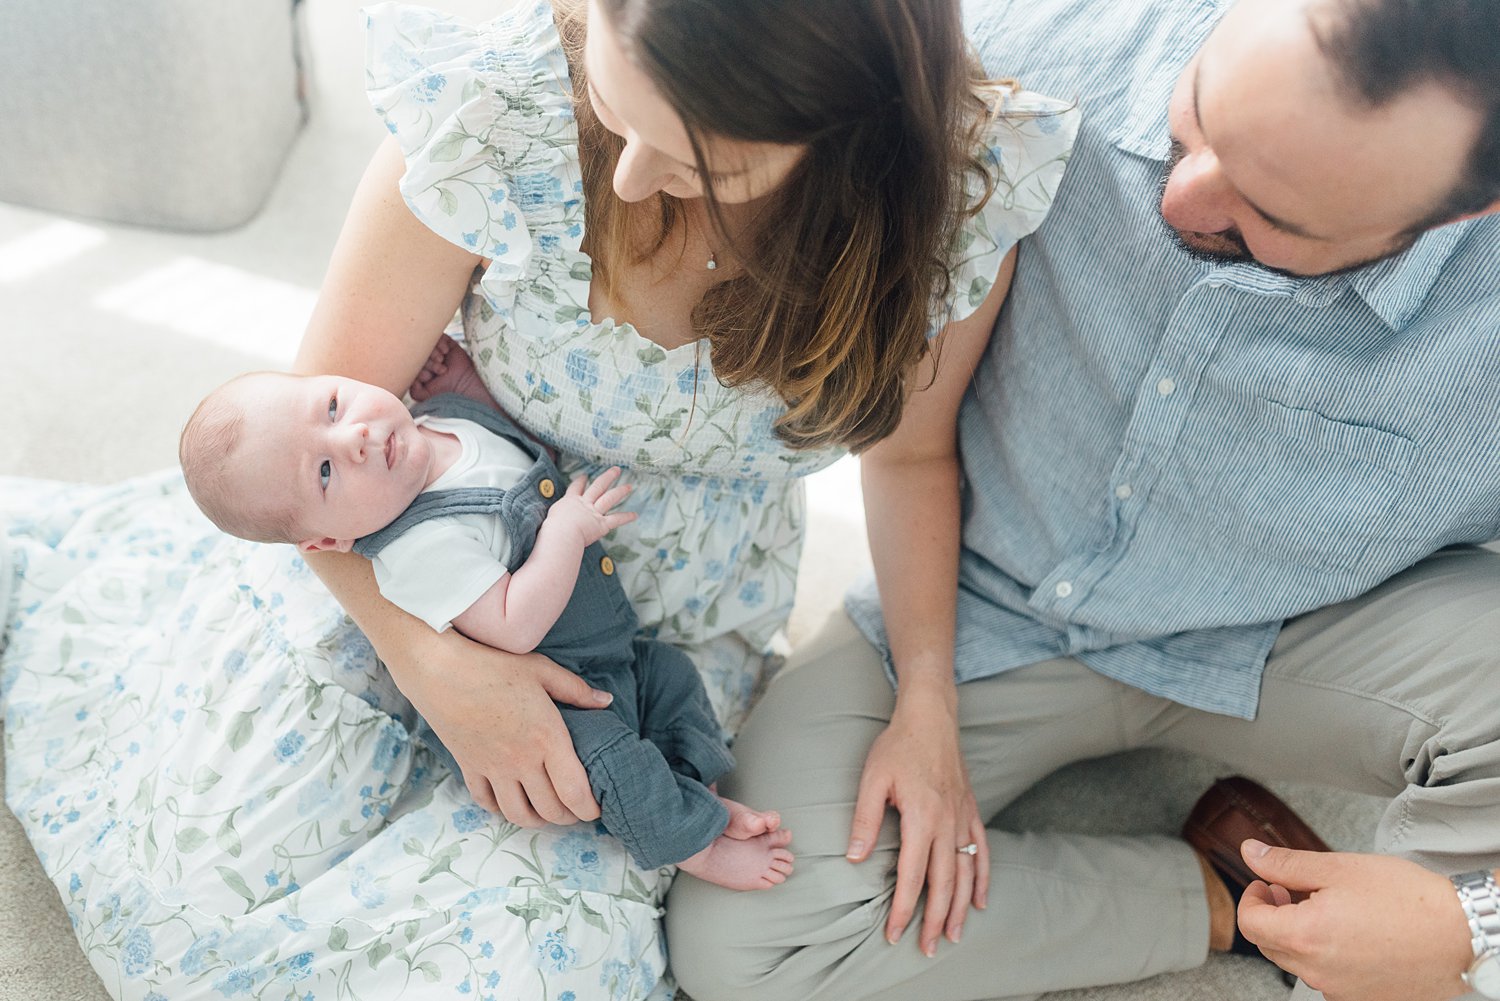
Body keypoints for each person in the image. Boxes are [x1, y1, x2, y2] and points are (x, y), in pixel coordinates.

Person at [0, 0, 1074, 998]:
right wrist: (444, 672)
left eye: (709, 160)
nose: (633, 180)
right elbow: (310, 467)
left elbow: (910, 459)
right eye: (618, 110)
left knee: (517, 954)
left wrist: (926, 694)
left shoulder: (949, 195)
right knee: (200, 861)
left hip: (659, 631)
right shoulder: (492, 112)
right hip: (400, 570)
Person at [664, 0, 1500, 999]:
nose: (1184, 199)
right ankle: (1227, 894)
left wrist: (1471, 928)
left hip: (1299, 637)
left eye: (1273, 217)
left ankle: (1391, 940)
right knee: (745, 937)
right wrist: (923, 695)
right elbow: (909, 446)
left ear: (1456, 218)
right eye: (1194, 118)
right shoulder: (1022, 69)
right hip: (982, 595)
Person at [177, 357, 796, 891]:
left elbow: (515, 448)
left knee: (674, 676)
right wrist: (565, 530)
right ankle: (696, 847)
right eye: (325, 472)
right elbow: (513, 623)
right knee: (610, 761)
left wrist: (463, 380)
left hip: (614, 649)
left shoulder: (440, 420)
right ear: (329, 539)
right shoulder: (418, 546)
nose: (356, 438)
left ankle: (696, 791)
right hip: (554, 691)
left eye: (333, 406)